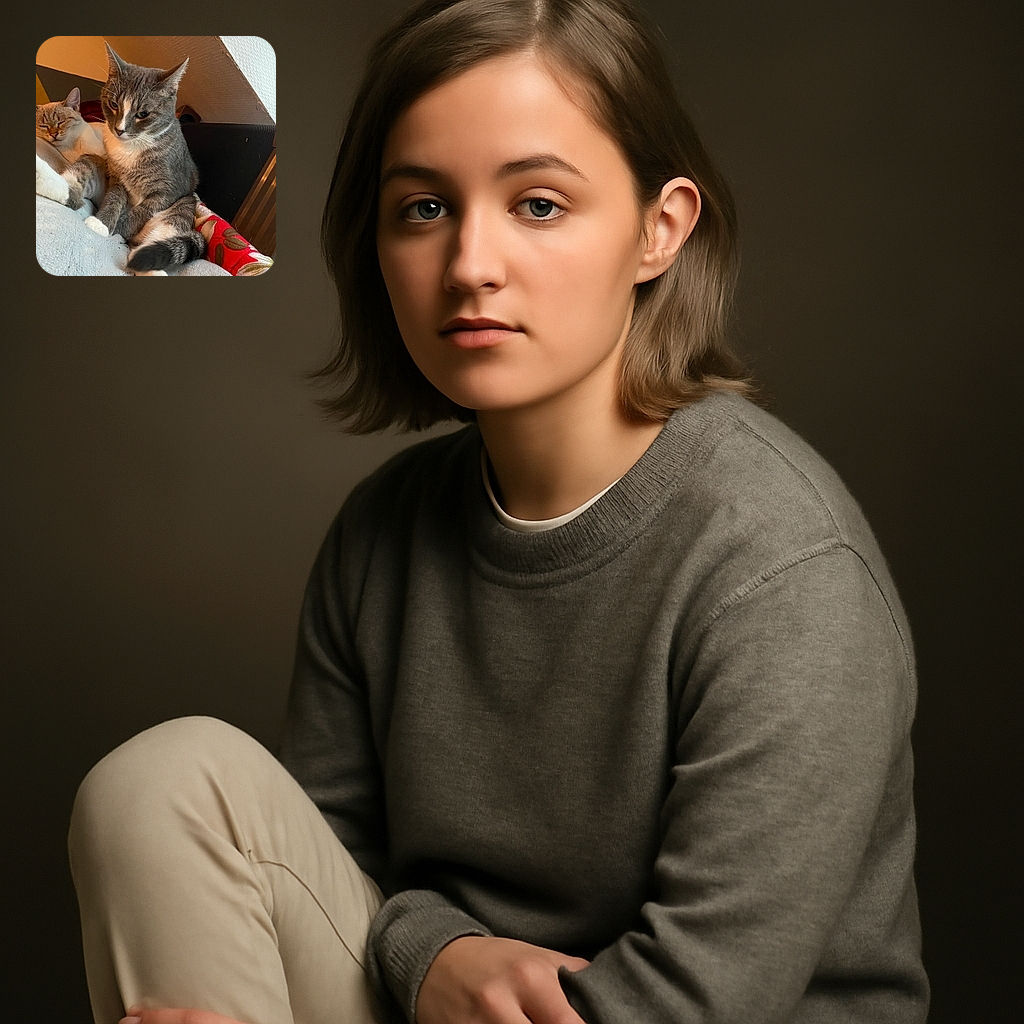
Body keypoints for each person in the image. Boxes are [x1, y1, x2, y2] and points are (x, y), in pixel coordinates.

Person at [68, 1, 929, 1023]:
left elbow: (698, 1000)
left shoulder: (782, 568)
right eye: (425, 208)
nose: (471, 263)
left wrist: (421, 953)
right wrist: (434, 952)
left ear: (659, 230)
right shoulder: (382, 534)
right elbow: (329, 877)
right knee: (159, 786)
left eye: (539, 204)